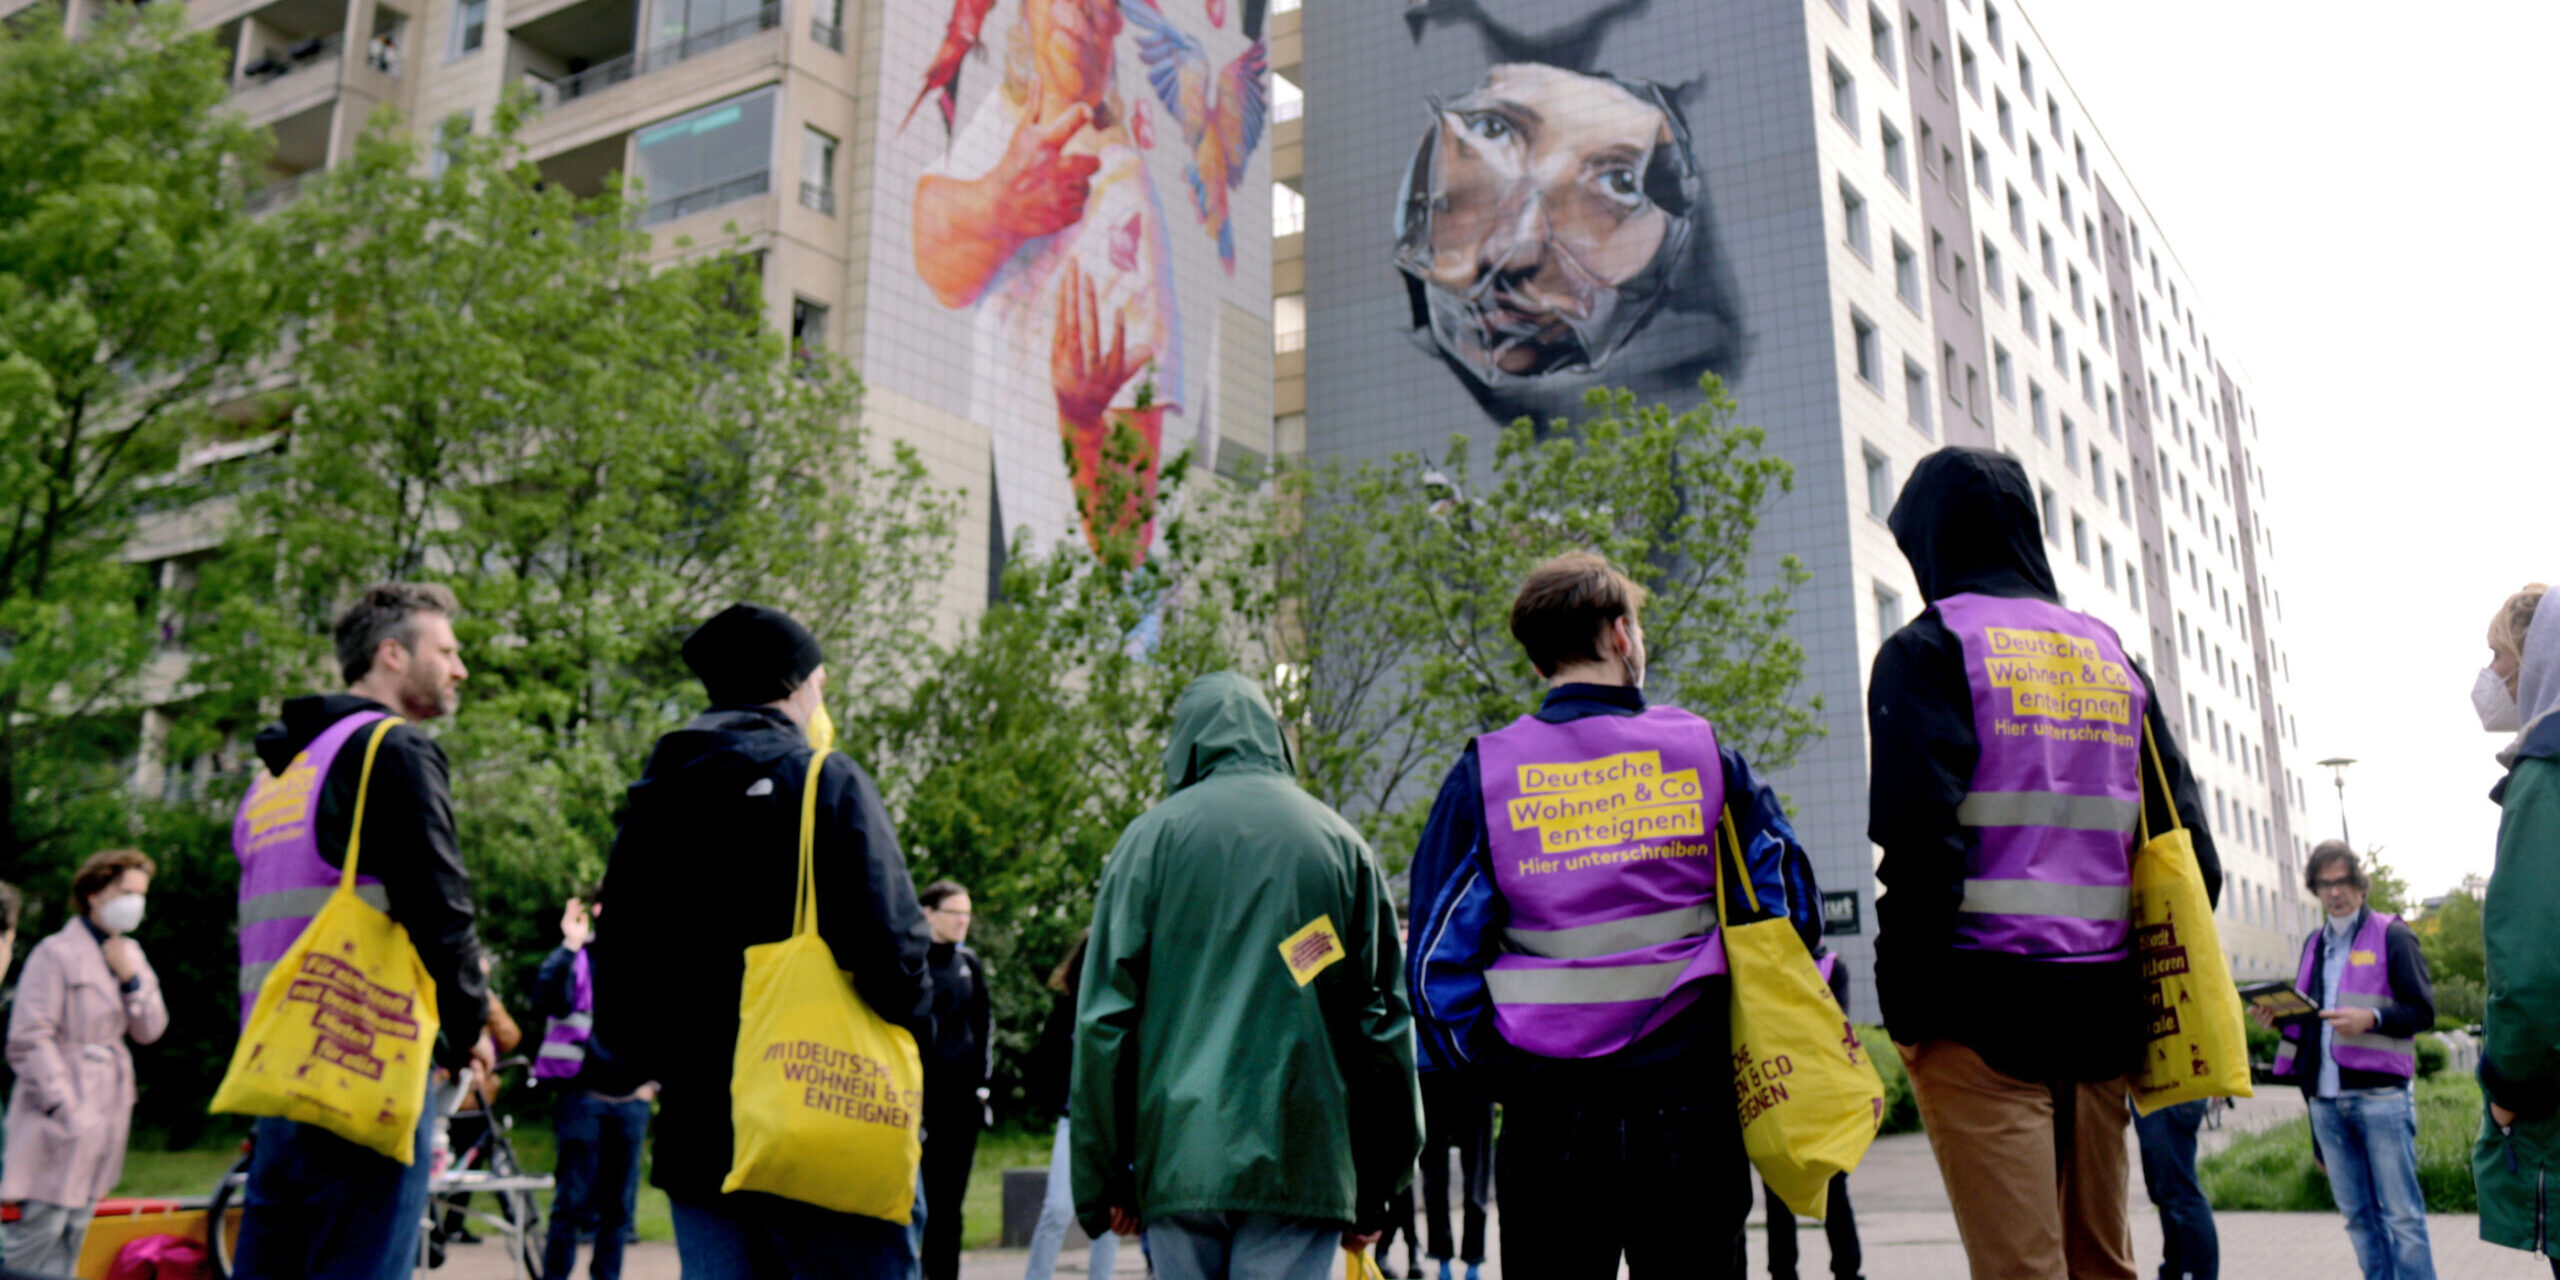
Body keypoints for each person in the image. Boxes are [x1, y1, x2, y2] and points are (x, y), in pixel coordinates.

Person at [1407, 552, 1828, 1277]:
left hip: (1549, 1117)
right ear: (1621, 634)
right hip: (1691, 1107)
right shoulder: (1704, 755)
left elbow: (1432, 968)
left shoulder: (1486, 775)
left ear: (1538, 661)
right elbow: (1792, 911)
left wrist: (1501, 1074)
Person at [1869, 448, 2218, 1280]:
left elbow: (1920, 844)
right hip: (2101, 1018)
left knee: (2022, 1270)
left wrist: (1906, 1011)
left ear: (1928, 541)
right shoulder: (2112, 658)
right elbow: (2189, 850)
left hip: (1977, 1017)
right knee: (2101, 1264)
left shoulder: (1929, 651)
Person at [593, 602, 934, 1278]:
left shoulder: (657, 799)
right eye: (820, 684)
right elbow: (896, 953)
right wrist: (918, 1047)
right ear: (794, 685)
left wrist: (648, 1065)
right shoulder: (823, 781)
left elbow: (621, 965)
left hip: (699, 1133)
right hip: (825, 1115)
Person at [1073, 672, 1420, 1280]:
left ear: (1185, 745)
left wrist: (1103, 1180)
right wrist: (1378, 1185)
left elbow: (1105, 1023)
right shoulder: (1340, 846)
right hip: (1302, 1153)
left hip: (1180, 1154)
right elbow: (1382, 1024)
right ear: (1274, 737)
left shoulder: (1147, 844)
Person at [232, 582, 495, 1280]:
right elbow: (440, 907)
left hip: (277, 1075)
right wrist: (470, 1026)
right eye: (446, 651)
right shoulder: (392, 750)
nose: (461, 669)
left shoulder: (280, 774)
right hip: (363, 1068)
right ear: (391, 655)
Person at [2260, 843, 2434, 1279]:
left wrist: (2371, 1018)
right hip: (2325, 1102)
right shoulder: (2313, 944)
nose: (2334, 892)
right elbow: (2309, 1024)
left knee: (2403, 1217)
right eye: (2324, 884)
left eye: (2341, 882)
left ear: (2359, 885)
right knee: (2358, 1219)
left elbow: (2423, 1011)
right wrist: (2278, 1019)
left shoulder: (2393, 935)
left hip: (2381, 1099)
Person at [0, 849, 168, 1273]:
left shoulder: (130, 955)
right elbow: (28, 1037)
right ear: (95, 893)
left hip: (106, 1108)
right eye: (125, 892)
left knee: (74, 1232)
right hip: (57, 1112)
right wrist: (63, 1106)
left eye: (141, 894)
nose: (135, 903)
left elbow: (151, 1028)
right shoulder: (55, 953)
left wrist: (131, 979)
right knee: (35, 1237)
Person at [2474, 584, 2560, 1273]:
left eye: (2500, 654)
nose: (2493, 673)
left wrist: (2507, 1091)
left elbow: (2530, 972)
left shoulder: (2545, 776)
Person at [533, 885, 654, 1280]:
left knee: (618, 1210)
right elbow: (545, 999)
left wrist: (653, 1083)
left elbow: (667, 1023)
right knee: (571, 1203)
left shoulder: (645, 960)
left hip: (631, 1099)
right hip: (583, 1095)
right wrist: (569, 943)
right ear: (597, 910)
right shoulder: (579, 957)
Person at [1759, 955, 1864, 1280]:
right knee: (1785, 1188)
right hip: (1793, 1095)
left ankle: (1840, 1269)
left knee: (1827, 1185)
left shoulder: (1829, 967)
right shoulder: (1773, 968)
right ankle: (1793, 1270)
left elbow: (1831, 1029)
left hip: (1810, 1097)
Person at [1022, 933, 1119, 1280]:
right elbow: (1044, 1062)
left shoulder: (1125, 1005)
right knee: (1058, 1208)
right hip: (1074, 1120)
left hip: (1114, 1125)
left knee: (1110, 1213)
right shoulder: (1067, 1008)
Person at [919, 879, 991, 1280]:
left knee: (950, 1205)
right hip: (918, 1104)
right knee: (917, 1202)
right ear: (929, 913)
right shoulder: (912, 961)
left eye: (967, 913)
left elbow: (984, 1027)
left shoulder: (969, 964)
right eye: (954, 913)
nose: (963, 921)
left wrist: (982, 1088)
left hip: (961, 1106)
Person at [1413, 1045, 1490, 1280]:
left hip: (1467, 1068)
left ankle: (1467, 1261)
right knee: (1438, 1177)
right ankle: (1447, 1260)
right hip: (1439, 1069)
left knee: (1470, 1176)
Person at [2133, 1099, 2216, 1280]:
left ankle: (2194, 1273)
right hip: (2158, 1094)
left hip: (2167, 1093)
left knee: (2178, 1191)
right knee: (2167, 1190)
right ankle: (2175, 1271)